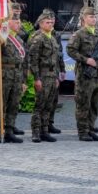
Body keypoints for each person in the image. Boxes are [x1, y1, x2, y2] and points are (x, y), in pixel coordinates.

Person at [66, 6, 98, 142]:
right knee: (83, 103)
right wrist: (86, 59)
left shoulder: (97, 35)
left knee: (94, 104)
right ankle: (83, 131)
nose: (93, 19)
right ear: (84, 19)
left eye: (95, 17)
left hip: (96, 75)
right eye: (90, 17)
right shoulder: (79, 34)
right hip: (84, 75)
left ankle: (91, 128)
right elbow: (70, 50)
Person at [0, 17, 27, 143]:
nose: (18, 24)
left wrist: (23, 81)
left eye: (19, 21)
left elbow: (24, 62)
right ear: (8, 23)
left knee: (14, 104)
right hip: (4, 74)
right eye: (16, 21)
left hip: (17, 75)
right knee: (0, 104)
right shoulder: (2, 37)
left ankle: (9, 131)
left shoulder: (19, 40)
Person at [28, 9, 61, 143]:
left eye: (51, 22)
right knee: (39, 105)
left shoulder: (52, 38)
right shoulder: (38, 39)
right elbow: (33, 60)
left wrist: (57, 77)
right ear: (41, 24)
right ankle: (36, 132)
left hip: (52, 75)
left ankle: (45, 130)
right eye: (47, 22)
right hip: (42, 74)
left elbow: (56, 59)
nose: (50, 24)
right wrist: (36, 78)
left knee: (48, 106)